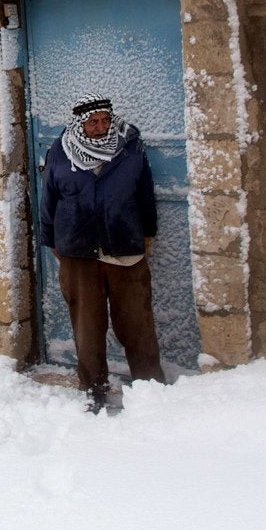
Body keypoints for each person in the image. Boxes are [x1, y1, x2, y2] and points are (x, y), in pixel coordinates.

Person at [39, 95, 165, 412]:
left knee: (137, 325)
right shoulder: (61, 150)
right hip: (78, 254)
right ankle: (93, 389)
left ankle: (151, 389)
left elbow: (145, 194)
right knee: (88, 328)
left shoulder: (129, 147)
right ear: (80, 124)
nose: (100, 127)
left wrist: (147, 233)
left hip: (124, 250)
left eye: (104, 120)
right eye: (92, 122)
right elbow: (49, 197)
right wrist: (51, 237)